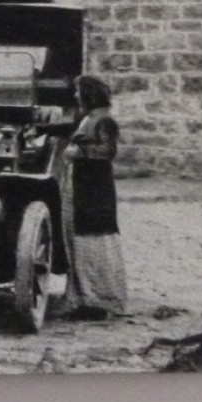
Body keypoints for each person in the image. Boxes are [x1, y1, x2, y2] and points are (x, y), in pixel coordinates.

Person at [65, 75, 129, 318]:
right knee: (83, 242)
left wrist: (79, 152)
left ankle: (101, 302)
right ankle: (86, 298)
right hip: (86, 186)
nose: (74, 96)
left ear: (88, 94)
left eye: (78, 91)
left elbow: (107, 151)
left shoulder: (104, 121)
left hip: (96, 189)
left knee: (95, 240)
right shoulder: (89, 119)